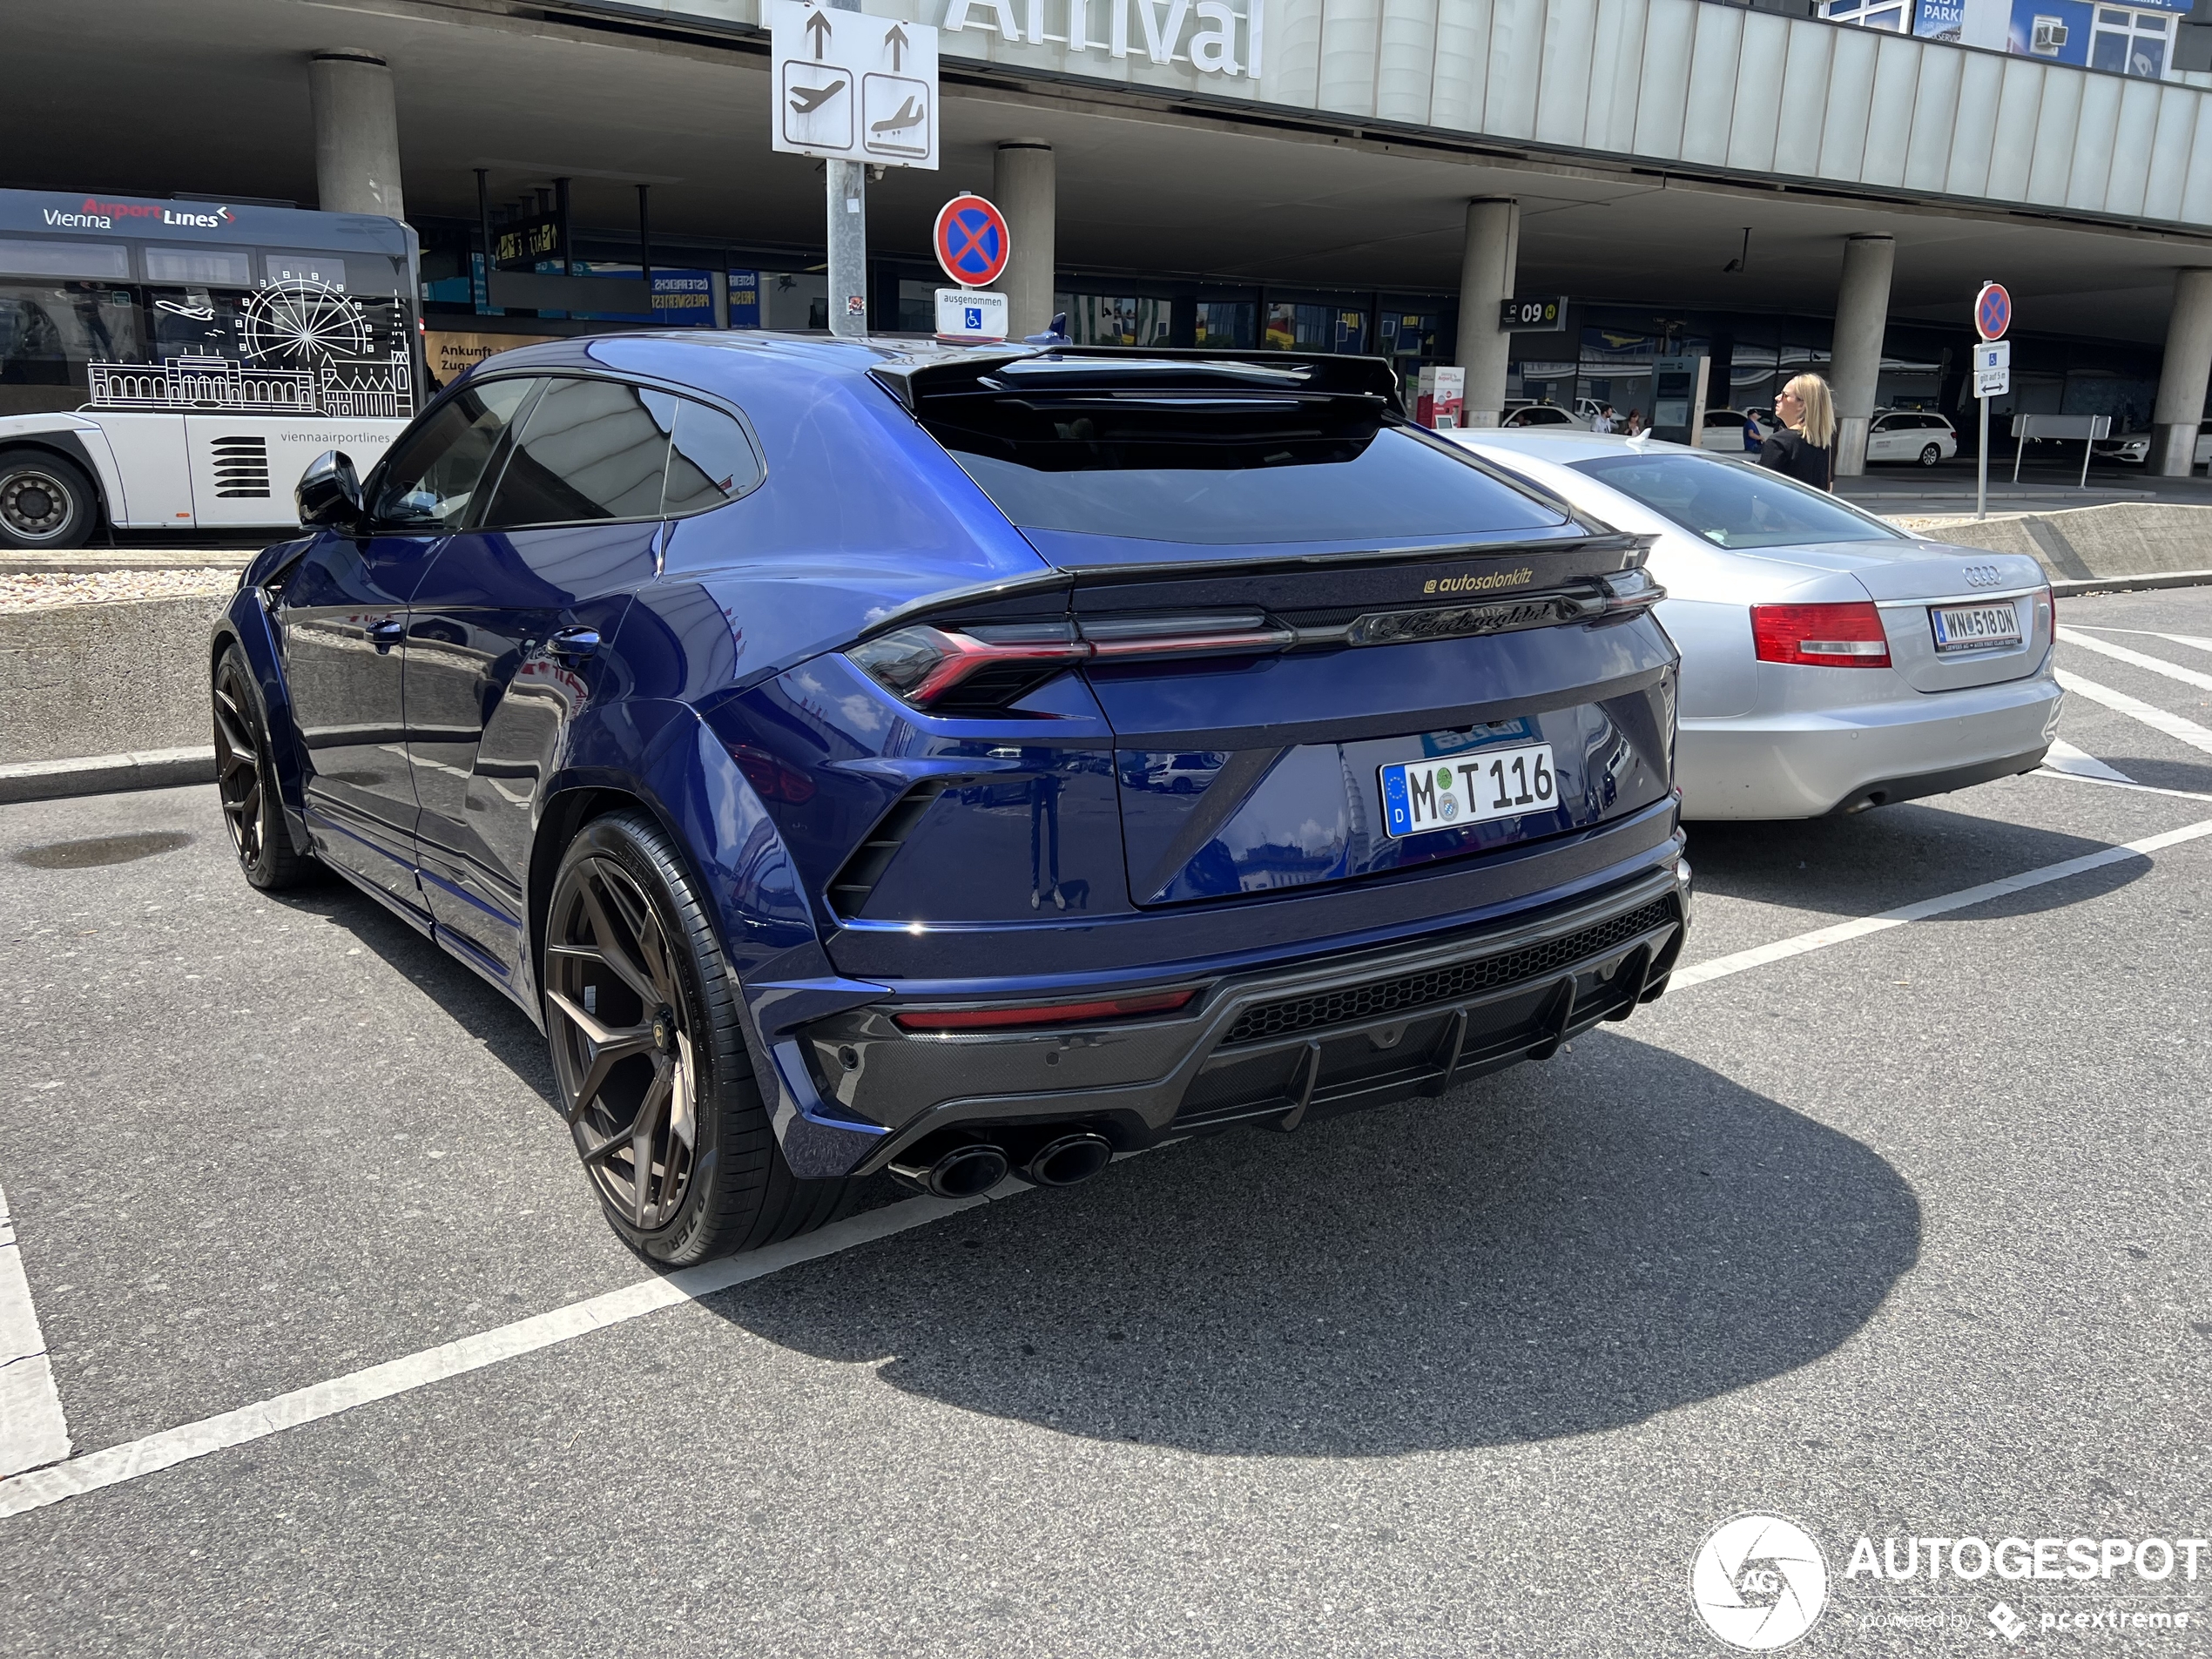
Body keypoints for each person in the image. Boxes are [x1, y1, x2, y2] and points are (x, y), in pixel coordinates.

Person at [1759, 374, 1835, 489]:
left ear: (1802, 405)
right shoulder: (1824, 443)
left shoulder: (1779, 442)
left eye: (1785, 395)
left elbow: (1763, 490)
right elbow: (1828, 488)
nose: (1777, 398)